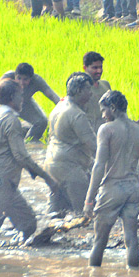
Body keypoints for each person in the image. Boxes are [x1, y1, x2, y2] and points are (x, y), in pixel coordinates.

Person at [83, 90, 139, 268]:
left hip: (112, 189)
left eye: (104, 111)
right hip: (133, 190)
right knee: (131, 239)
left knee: (99, 241)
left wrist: (89, 199)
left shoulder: (106, 130)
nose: (103, 116)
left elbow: (98, 166)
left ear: (113, 108)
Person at [0, 79, 60, 243]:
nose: (23, 100)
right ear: (12, 97)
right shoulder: (11, 121)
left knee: (24, 224)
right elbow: (21, 156)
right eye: (20, 96)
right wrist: (47, 178)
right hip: (3, 183)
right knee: (27, 224)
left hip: (5, 183)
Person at [44, 72, 98, 216]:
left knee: (55, 214)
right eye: (88, 89)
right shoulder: (76, 114)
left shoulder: (59, 107)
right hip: (70, 169)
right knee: (84, 213)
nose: (91, 93)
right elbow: (94, 146)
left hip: (51, 165)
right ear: (78, 91)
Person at [1, 62, 57, 142]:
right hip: (6, 105)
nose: (21, 82)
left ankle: (29, 142)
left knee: (41, 122)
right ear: (15, 76)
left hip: (24, 104)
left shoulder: (37, 81)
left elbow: (52, 96)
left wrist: (63, 106)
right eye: (19, 78)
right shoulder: (7, 78)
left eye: (25, 79)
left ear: (31, 78)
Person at [81, 51, 112, 129]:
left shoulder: (105, 85)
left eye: (100, 67)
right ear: (85, 68)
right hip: (89, 132)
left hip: (106, 131)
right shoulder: (80, 89)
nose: (99, 71)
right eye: (95, 68)